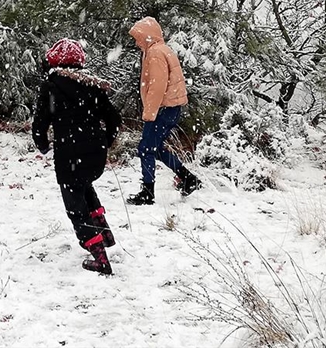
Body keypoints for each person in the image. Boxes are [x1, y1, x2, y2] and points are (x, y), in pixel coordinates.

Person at [32, 38, 121, 275]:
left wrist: (42, 145)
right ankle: (104, 233)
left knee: (74, 205)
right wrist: (105, 142)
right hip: (94, 154)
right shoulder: (92, 84)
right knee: (84, 186)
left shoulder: (51, 86)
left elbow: (40, 123)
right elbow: (114, 120)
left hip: (69, 153)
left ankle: (99, 255)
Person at [126, 16, 201, 206]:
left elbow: (157, 86)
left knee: (146, 148)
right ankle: (188, 178)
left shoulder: (155, 54)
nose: (136, 42)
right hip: (170, 108)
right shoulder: (161, 50)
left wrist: (149, 113)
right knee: (155, 149)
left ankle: (147, 193)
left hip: (162, 109)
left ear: (147, 36)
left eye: (138, 37)